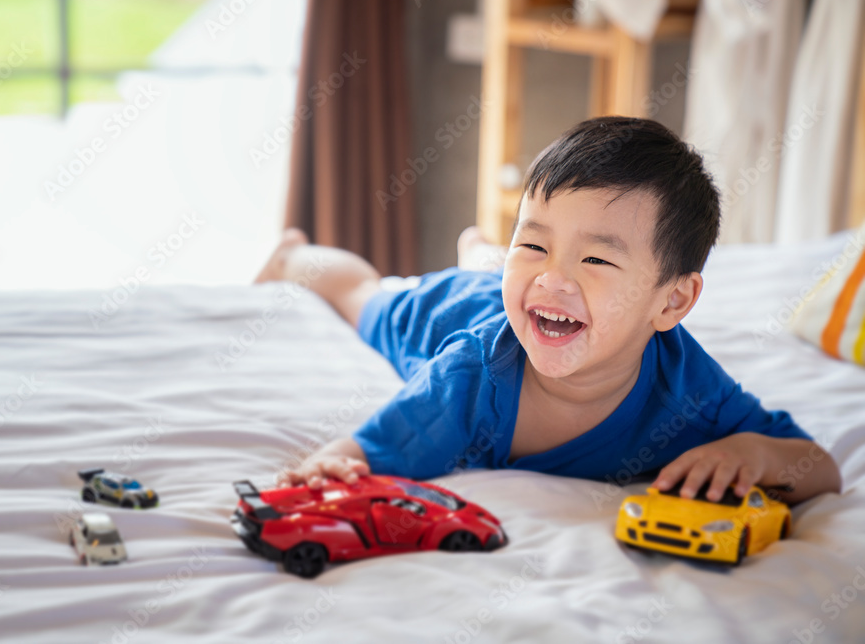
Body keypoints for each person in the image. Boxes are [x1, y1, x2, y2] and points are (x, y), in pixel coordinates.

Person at [255, 117, 841, 505]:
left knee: (510, 282)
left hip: (513, 302)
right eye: (532, 244)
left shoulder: (690, 390)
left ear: (672, 301)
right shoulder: (469, 375)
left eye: (596, 260)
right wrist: (326, 468)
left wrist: (750, 452)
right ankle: (294, 256)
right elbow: (364, 450)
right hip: (458, 312)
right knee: (368, 298)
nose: (555, 276)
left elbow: (818, 468)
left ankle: (485, 256)